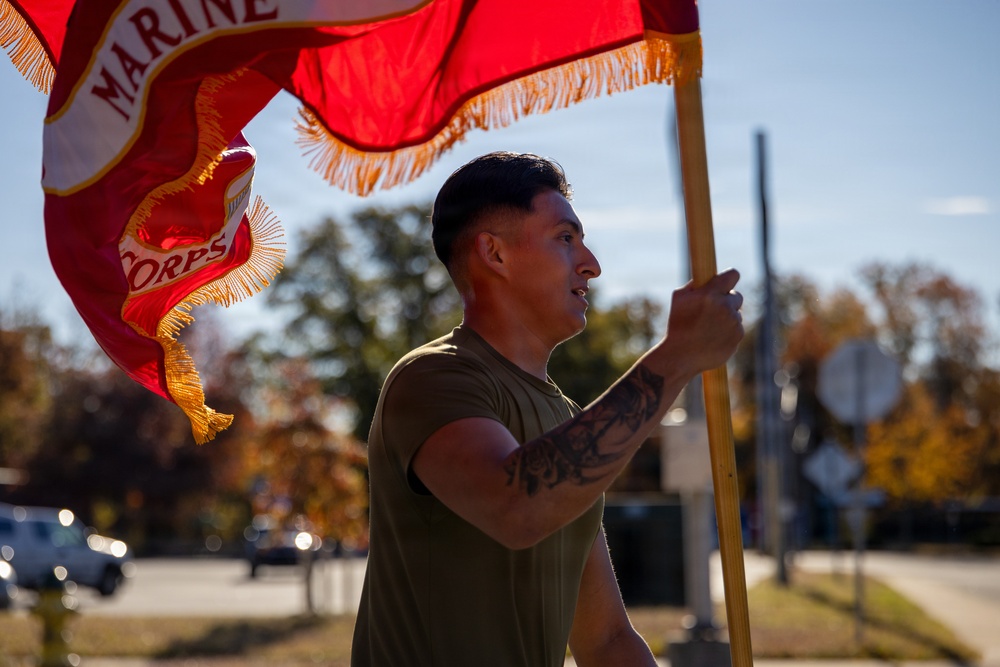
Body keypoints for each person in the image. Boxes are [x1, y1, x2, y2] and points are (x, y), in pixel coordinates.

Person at [351, 151, 744, 667]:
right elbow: (516, 506)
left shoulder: (565, 418)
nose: (592, 264)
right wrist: (677, 358)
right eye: (565, 238)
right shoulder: (431, 377)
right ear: (494, 253)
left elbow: (606, 640)